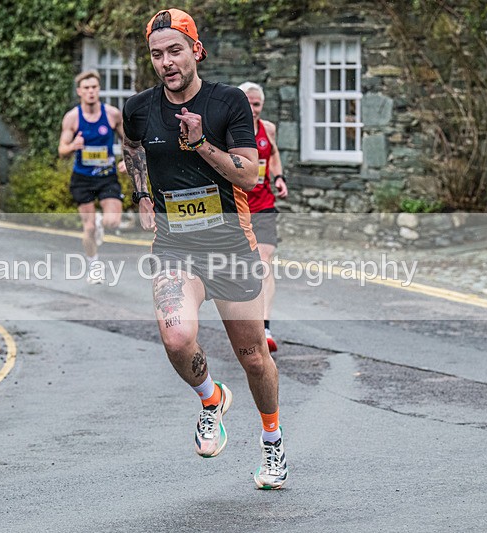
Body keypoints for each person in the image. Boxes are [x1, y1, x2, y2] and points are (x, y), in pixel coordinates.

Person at [122, 8, 288, 489]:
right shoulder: (139, 108)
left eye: (175, 51)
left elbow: (249, 174)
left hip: (231, 247)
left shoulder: (228, 102)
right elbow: (131, 147)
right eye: (157, 54)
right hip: (175, 247)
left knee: (253, 357)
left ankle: (272, 441)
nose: (166, 63)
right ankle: (211, 399)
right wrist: (142, 194)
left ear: (196, 50)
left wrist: (199, 145)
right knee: (176, 337)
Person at [58, 70, 125, 284]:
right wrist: (73, 146)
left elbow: (129, 142)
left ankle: (99, 221)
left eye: (94, 87)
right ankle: (94, 265)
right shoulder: (72, 117)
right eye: (86, 88)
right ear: (79, 91)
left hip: (107, 176)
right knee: (88, 228)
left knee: (112, 222)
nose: (91, 91)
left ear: (99, 89)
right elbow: (61, 149)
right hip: (82, 178)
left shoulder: (112, 114)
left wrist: (128, 160)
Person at [238, 82, 288, 353]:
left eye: (256, 104)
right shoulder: (228, 130)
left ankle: (265, 328)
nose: (252, 109)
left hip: (264, 204)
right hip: (237, 206)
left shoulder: (268, 129)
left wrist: (279, 178)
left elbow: (274, 154)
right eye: (247, 102)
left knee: (264, 260)